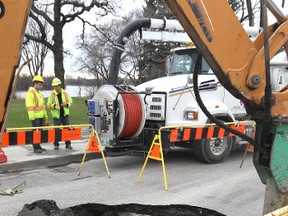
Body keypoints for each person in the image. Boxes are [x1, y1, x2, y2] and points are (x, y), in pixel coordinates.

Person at [47, 78, 73, 150]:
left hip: (64, 115)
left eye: (56, 86)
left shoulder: (65, 93)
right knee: (56, 131)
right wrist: (54, 106)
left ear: (59, 85)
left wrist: (66, 104)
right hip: (56, 116)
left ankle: (68, 144)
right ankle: (56, 144)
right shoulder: (51, 95)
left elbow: (71, 102)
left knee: (67, 130)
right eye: (54, 86)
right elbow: (48, 104)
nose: (55, 87)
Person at [25, 75, 48, 153]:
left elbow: (43, 106)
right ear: (35, 84)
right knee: (36, 132)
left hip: (40, 116)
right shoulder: (31, 93)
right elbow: (29, 106)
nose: (41, 86)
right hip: (35, 117)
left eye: (41, 84)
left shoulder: (39, 94)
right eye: (40, 84)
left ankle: (38, 146)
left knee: (39, 133)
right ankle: (36, 147)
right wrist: (32, 117)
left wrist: (45, 116)